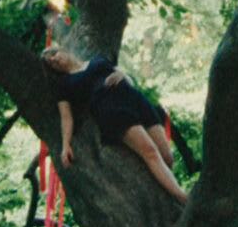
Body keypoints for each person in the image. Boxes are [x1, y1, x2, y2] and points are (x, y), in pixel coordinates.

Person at [42, 44, 186, 203]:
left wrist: (122, 76)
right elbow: (66, 116)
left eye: (54, 54)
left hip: (135, 101)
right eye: (51, 62)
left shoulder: (97, 59)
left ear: (65, 50)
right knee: (150, 151)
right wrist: (65, 145)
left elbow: (128, 79)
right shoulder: (63, 84)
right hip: (112, 111)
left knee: (167, 157)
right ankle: (183, 197)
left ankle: (170, 197)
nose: (55, 59)